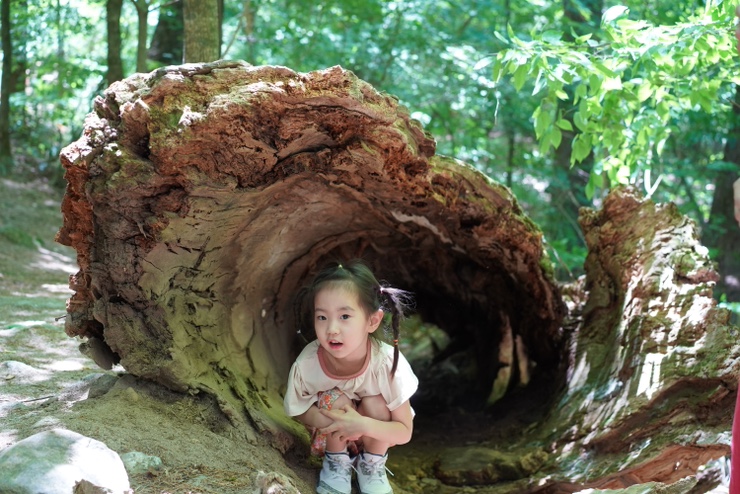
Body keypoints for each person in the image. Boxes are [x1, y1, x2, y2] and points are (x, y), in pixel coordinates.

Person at [284, 260, 419, 494]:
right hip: (331, 433)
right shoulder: (308, 363)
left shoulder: (387, 364)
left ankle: (371, 465)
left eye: (345, 316)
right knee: (333, 398)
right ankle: (336, 464)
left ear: (372, 320)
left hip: (374, 433)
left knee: (377, 401)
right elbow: (298, 409)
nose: (332, 329)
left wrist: (362, 425)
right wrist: (334, 422)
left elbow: (404, 431)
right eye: (322, 317)